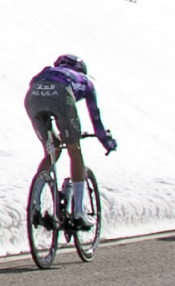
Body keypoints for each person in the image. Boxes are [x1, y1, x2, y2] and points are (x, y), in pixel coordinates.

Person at [23, 54, 116, 215]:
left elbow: (35, 85)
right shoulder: (84, 81)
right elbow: (95, 117)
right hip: (61, 96)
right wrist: (106, 141)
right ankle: (79, 212)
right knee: (74, 150)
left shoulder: (46, 71)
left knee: (52, 150)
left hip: (33, 96)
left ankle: (35, 203)